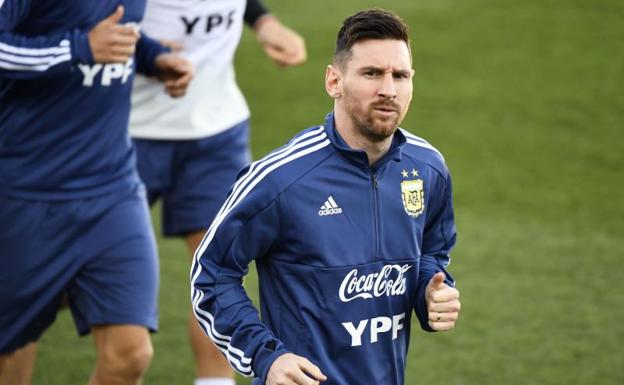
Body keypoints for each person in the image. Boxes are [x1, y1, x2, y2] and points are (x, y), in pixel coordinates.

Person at [190, 8, 461, 385]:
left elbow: (432, 252)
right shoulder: (281, 179)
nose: (388, 89)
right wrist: (265, 356)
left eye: (400, 75)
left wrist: (432, 292)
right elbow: (211, 274)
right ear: (334, 81)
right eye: (371, 73)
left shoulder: (427, 168)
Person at [0, 1, 192, 384]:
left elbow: (117, 30)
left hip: (113, 189)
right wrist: (78, 49)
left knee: (130, 355)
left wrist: (153, 58)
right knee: (10, 350)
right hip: (24, 193)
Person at [128, 1, 305, 384]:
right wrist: (148, 56)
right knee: (75, 279)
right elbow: (78, 17)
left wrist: (262, 20)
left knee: (217, 270)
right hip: (125, 133)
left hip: (216, 132)